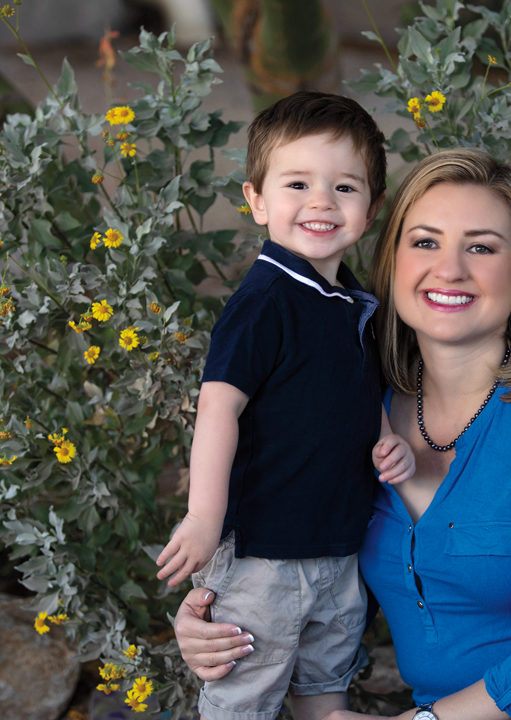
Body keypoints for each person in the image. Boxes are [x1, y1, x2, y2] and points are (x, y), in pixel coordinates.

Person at [173, 149, 511, 720]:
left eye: (481, 247)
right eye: (425, 242)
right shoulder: (359, 414)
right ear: (393, 261)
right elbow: (306, 563)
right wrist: (221, 614)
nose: (450, 269)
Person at [156, 92, 415, 720]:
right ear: (257, 200)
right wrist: (203, 516)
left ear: (372, 208)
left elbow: (351, 390)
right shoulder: (266, 300)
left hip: (336, 542)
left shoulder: (353, 302)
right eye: (298, 183)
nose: (322, 202)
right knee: (243, 693)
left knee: (324, 687)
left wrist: (385, 436)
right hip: (262, 554)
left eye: (345, 187)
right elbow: (218, 405)